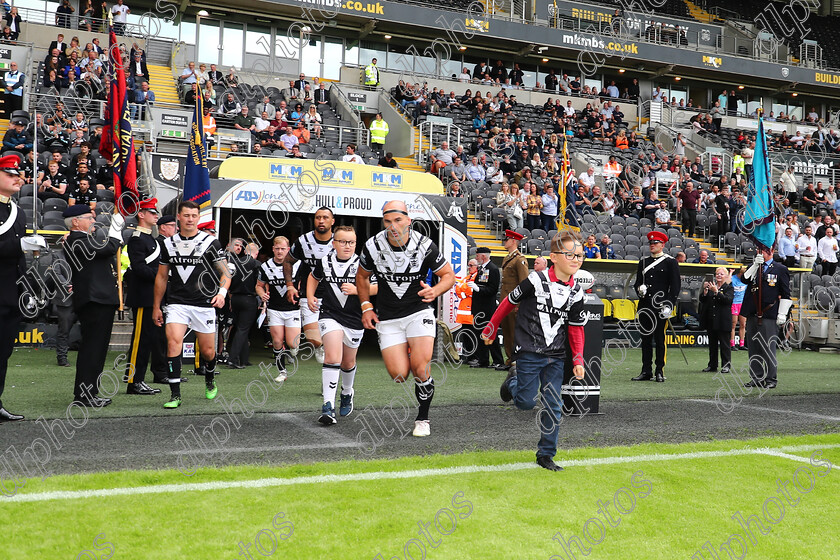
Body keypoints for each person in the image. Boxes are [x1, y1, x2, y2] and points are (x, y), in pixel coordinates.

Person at [483, 231, 587, 472]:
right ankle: (513, 382)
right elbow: (509, 301)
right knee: (525, 403)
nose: (576, 259)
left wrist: (579, 358)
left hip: (556, 357)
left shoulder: (577, 293)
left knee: (554, 405)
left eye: (580, 255)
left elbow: (576, 330)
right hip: (529, 351)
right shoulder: (535, 280)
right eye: (570, 254)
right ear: (553, 257)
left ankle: (546, 455)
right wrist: (491, 326)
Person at [356, 200, 456, 437]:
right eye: (388, 221)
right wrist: (366, 307)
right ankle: (412, 357)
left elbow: (448, 275)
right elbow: (362, 278)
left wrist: (436, 290)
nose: (393, 226)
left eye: (398, 220)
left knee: (420, 368)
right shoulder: (372, 246)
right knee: (400, 375)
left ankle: (423, 418)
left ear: (408, 220)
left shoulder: (424, 245)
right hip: (388, 318)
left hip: (418, 313)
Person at [153, 201, 230, 408]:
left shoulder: (211, 242)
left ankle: (210, 378)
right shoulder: (167, 244)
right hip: (177, 303)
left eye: (194, 216)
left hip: (204, 304)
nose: (190, 219)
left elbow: (226, 273)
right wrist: (156, 306)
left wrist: (221, 293)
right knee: (173, 343)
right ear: (178, 217)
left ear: (198, 218)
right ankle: (175, 395)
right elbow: (161, 277)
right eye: (186, 215)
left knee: (208, 352)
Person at [306, 226, 376, 424]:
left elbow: (378, 287)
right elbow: (313, 277)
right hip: (330, 314)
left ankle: (346, 392)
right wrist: (310, 296)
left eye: (351, 242)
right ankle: (328, 406)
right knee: (333, 357)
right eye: (343, 242)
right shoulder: (325, 261)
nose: (347, 246)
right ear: (334, 243)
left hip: (355, 318)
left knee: (347, 362)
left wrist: (357, 289)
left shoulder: (363, 264)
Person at [62, 204, 122, 407]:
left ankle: (88, 392)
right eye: (89, 217)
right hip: (95, 300)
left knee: (95, 349)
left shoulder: (80, 240)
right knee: (93, 350)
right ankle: (85, 394)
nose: (93, 221)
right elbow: (108, 248)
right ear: (76, 222)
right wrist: (115, 232)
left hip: (97, 299)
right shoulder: (77, 240)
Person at [0, 155, 33, 421]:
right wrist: (18, 246)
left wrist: (27, 289)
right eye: (10, 174)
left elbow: (20, 260)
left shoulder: (18, 211)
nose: (17, 178)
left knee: (3, 352)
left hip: (11, 293)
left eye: (18, 174)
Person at [122, 198, 165, 395]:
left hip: (151, 297)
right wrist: (161, 277)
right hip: (143, 296)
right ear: (141, 214)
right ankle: (133, 381)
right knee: (139, 341)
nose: (156, 216)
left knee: (147, 340)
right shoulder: (137, 238)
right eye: (152, 212)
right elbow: (139, 268)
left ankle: (138, 378)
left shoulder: (151, 239)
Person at [284, 207, 335, 365]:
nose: (321, 221)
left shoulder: (339, 242)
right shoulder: (303, 241)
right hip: (309, 293)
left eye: (325, 217)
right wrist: (290, 286)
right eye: (318, 217)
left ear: (332, 221)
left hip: (333, 296)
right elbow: (287, 261)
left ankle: (332, 373)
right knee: (313, 337)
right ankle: (321, 346)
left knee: (335, 335)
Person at [632, 231, 681, 383]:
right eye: (651, 243)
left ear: (662, 245)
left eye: (655, 243)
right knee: (645, 340)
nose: (652, 245)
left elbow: (675, 286)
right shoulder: (644, 262)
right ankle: (646, 370)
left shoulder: (670, 262)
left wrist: (669, 305)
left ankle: (659, 370)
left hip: (661, 308)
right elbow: (637, 283)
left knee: (660, 340)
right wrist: (640, 289)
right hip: (645, 306)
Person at [740, 248, 791, 389]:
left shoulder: (780, 269)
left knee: (768, 348)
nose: (760, 252)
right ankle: (756, 378)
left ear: (772, 250)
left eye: (763, 249)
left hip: (769, 313)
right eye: (759, 249)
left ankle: (771, 379)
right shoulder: (754, 266)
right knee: (753, 348)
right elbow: (744, 279)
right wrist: (755, 265)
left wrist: (782, 314)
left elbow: (786, 293)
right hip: (752, 313)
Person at [257, 236, 301, 382]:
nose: (280, 251)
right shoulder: (266, 266)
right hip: (275, 309)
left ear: (288, 249)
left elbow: (305, 280)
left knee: (293, 343)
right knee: (276, 341)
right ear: (273, 249)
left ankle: (292, 350)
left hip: (293, 309)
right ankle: (282, 371)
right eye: (277, 249)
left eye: (283, 249)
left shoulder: (297, 264)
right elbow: (258, 285)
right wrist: (262, 294)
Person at [467, 247, 506, 370]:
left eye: (477, 255)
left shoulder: (493, 269)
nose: (476, 258)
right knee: (480, 334)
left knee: (489, 334)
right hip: (479, 307)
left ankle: (498, 360)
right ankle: (483, 360)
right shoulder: (482, 268)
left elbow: (493, 289)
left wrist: (478, 288)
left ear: (483, 256)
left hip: (486, 308)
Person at [227, 237, 260, 369]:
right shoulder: (256, 264)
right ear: (256, 253)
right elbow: (259, 283)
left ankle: (244, 358)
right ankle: (233, 359)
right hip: (249, 298)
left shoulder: (235, 263)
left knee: (239, 328)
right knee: (243, 329)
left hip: (234, 298)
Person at [500, 229, 529, 367]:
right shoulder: (508, 258)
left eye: (506, 240)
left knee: (513, 331)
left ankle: (516, 360)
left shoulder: (519, 259)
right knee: (507, 330)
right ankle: (510, 358)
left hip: (513, 302)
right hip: (506, 301)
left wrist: (519, 303)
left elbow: (524, 283)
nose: (504, 242)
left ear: (513, 241)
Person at [699, 267, 734, 374]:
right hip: (711, 320)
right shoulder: (710, 287)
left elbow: (728, 300)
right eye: (717, 274)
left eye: (721, 274)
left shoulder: (729, 288)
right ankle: (712, 365)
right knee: (712, 345)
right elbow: (703, 300)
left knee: (725, 344)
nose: (719, 276)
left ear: (726, 276)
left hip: (723, 320)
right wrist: (705, 291)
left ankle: (726, 365)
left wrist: (717, 292)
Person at [730, 266, 747, 351]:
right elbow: (727, 281)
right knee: (733, 324)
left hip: (743, 303)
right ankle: (732, 344)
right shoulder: (733, 279)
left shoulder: (746, 280)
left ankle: (742, 343)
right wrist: (730, 273)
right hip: (734, 303)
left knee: (743, 324)